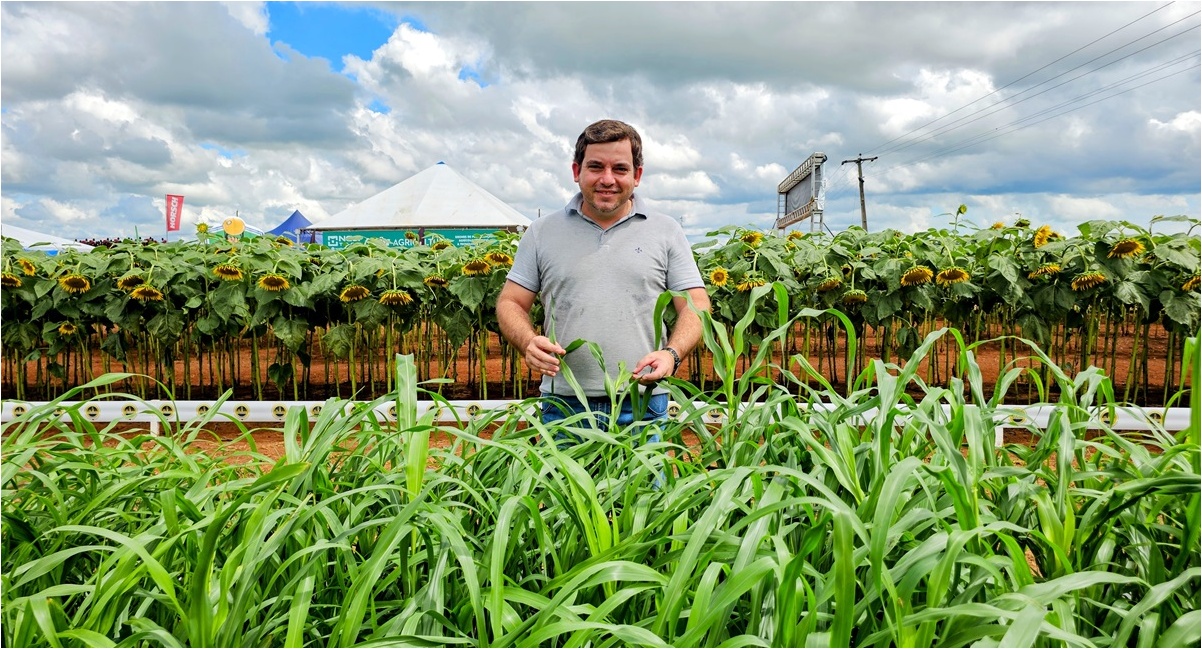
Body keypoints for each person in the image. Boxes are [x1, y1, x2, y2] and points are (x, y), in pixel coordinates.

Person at [496, 119, 711, 434]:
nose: (607, 179)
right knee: (564, 486)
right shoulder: (542, 232)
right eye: (595, 167)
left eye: (620, 169)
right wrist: (528, 342)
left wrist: (672, 354)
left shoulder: (665, 231)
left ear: (636, 176)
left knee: (645, 485)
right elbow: (511, 301)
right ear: (576, 172)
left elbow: (697, 303)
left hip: (644, 401)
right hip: (564, 403)